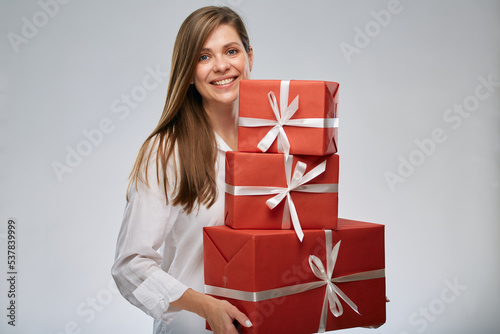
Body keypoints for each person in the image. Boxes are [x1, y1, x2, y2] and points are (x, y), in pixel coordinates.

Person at [111, 6, 254, 334]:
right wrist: (207, 306)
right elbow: (130, 265)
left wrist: (349, 293)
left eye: (231, 51)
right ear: (188, 71)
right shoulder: (167, 151)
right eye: (204, 57)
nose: (221, 65)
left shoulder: (274, 145)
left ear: (249, 57)